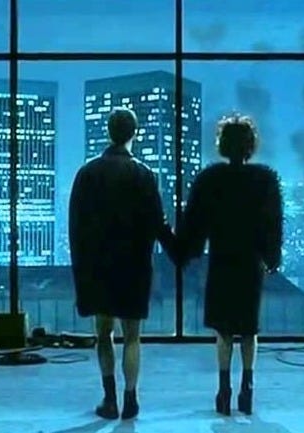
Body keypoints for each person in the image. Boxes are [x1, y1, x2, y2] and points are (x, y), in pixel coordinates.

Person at [69, 107, 177, 420]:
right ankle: (131, 399)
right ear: (134, 133)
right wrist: (178, 251)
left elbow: (76, 226)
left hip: (98, 268)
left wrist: (81, 270)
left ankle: (110, 399)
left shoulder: (87, 173)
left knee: (104, 334)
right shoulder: (144, 174)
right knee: (132, 336)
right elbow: (158, 223)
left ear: (109, 132)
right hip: (134, 267)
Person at [179, 114, 284, 416]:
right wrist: (271, 258)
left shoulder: (210, 179)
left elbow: (194, 224)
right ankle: (247, 387)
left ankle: (223, 389)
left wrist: (185, 252)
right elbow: (273, 224)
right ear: (250, 145)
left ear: (223, 144)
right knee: (249, 329)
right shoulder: (265, 179)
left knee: (223, 329)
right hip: (250, 263)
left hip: (221, 260)